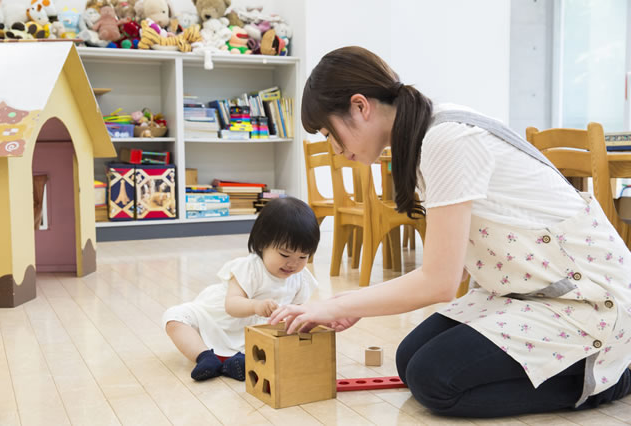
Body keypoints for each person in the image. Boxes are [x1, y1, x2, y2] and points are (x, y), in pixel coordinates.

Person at [269, 46, 631, 418]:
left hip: (586, 299)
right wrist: (354, 306)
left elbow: (439, 282)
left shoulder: (445, 140)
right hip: (532, 290)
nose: (334, 148)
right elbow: (453, 266)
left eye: (331, 132)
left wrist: (338, 304)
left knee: (434, 380)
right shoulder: (424, 135)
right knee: (409, 359)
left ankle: (611, 376)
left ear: (361, 107)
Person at [163, 196, 320, 381]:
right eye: (285, 254)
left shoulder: (301, 279)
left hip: (256, 333)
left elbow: (297, 313)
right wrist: (256, 306)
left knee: (282, 346)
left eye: (303, 257)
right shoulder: (250, 268)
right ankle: (204, 357)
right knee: (174, 318)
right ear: (262, 243)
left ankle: (238, 363)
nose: (293, 264)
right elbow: (232, 305)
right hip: (220, 320)